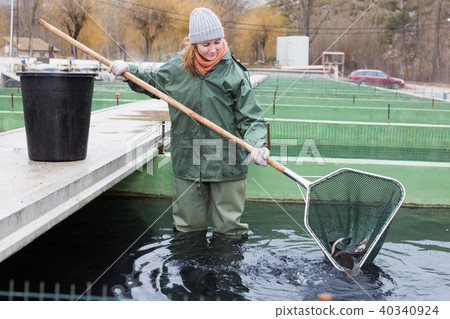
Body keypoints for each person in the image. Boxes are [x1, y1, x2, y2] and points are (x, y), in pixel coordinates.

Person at [109, 7, 269, 238]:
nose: (213, 49)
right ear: (194, 44)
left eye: (217, 41)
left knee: (229, 230)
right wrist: (128, 72)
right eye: (206, 44)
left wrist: (256, 145)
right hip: (188, 162)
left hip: (228, 162)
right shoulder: (178, 68)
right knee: (187, 228)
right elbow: (152, 82)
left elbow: (251, 118)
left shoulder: (235, 73)